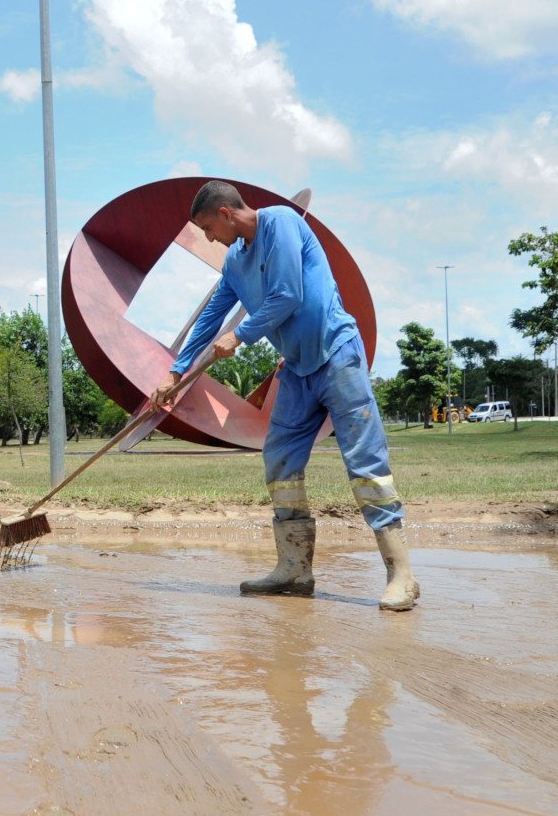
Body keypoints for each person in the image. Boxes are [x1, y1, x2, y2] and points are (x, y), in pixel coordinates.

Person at [148, 181, 418, 612]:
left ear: (225, 212)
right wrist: (176, 369)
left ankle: (401, 574)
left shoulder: (283, 223)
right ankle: (295, 568)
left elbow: (288, 294)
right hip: (296, 369)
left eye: (207, 228)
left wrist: (241, 334)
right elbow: (209, 318)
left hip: (337, 356)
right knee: (279, 462)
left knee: (366, 465)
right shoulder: (235, 263)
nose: (209, 239)